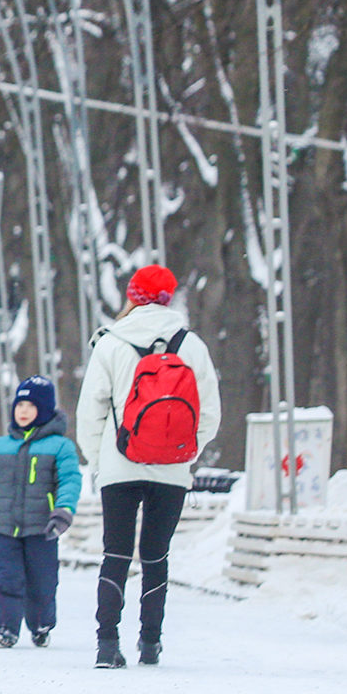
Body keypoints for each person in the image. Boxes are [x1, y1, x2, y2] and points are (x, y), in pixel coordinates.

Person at [75, 264, 220, 668]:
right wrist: (185, 451)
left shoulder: (110, 343)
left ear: (132, 297)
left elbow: (91, 412)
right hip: (171, 468)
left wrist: (99, 459)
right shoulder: (191, 345)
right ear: (168, 298)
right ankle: (150, 643)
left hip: (119, 465)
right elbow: (209, 411)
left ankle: (107, 644)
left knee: (116, 554)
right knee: (156, 555)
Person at [0, 376, 81, 648]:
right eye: (19, 405)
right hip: (5, 528)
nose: (23, 411)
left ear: (45, 409)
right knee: (5, 579)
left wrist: (62, 511)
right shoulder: (0, 446)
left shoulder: (60, 446)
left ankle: (41, 623)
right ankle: (3, 628)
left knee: (42, 582)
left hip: (42, 529)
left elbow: (70, 481)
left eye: (30, 405)